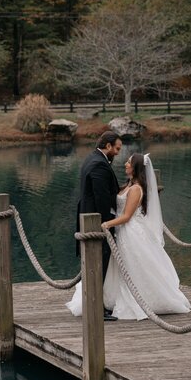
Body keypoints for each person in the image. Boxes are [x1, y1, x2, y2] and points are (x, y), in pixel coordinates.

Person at [67, 153, 191, 320]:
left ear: (136, 168)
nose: (125, 164)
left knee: (134, 266)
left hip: (130, 232)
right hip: (122, 232)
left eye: (129, 162)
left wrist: (107, 224)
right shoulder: (128, 185)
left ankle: (146, 298)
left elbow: (126, 216)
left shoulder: (136, 189)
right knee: (120, 267)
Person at [75, 131, 122, 321]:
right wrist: (108, 225)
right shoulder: (99, 165)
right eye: (117, 148)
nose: (118, 152)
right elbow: (102, 198)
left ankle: (97, 305)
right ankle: (96, 309)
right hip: (96, 223)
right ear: (108, 146)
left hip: (90, 219)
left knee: (96, 265)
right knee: (98, 266)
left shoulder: (92, 159)